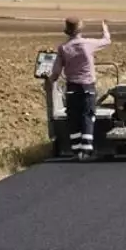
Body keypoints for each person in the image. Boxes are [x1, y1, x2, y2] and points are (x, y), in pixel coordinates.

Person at [47, 17, 111, 161]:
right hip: (88, 87)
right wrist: (105, 29)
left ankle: (76, 151)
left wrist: (49, 82)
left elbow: (56, 72)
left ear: (67, 32)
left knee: (74, 118)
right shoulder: (88, 44)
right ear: (80, 30)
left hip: (72, 88)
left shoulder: (63, 48)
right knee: (87, 116)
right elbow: (106, 41)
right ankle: (87, 152)